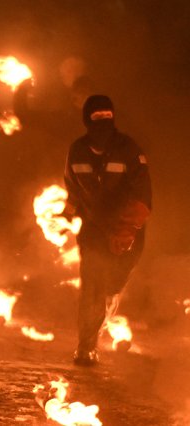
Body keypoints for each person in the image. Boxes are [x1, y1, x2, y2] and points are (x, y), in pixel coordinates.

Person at [61, 95, 151, 366]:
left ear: (113, 118)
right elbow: (73, 188)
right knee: (92, 285)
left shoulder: (129, 149)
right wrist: (67, 214)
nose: (101, 124)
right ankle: (86, 348)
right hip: (94, 229)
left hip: (127, 229)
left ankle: (112, 294)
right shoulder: (77, 150)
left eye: (106, 117)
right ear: (87, 121)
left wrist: (128, 230)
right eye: (96, 118)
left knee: (112, 283)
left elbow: (142, 194)